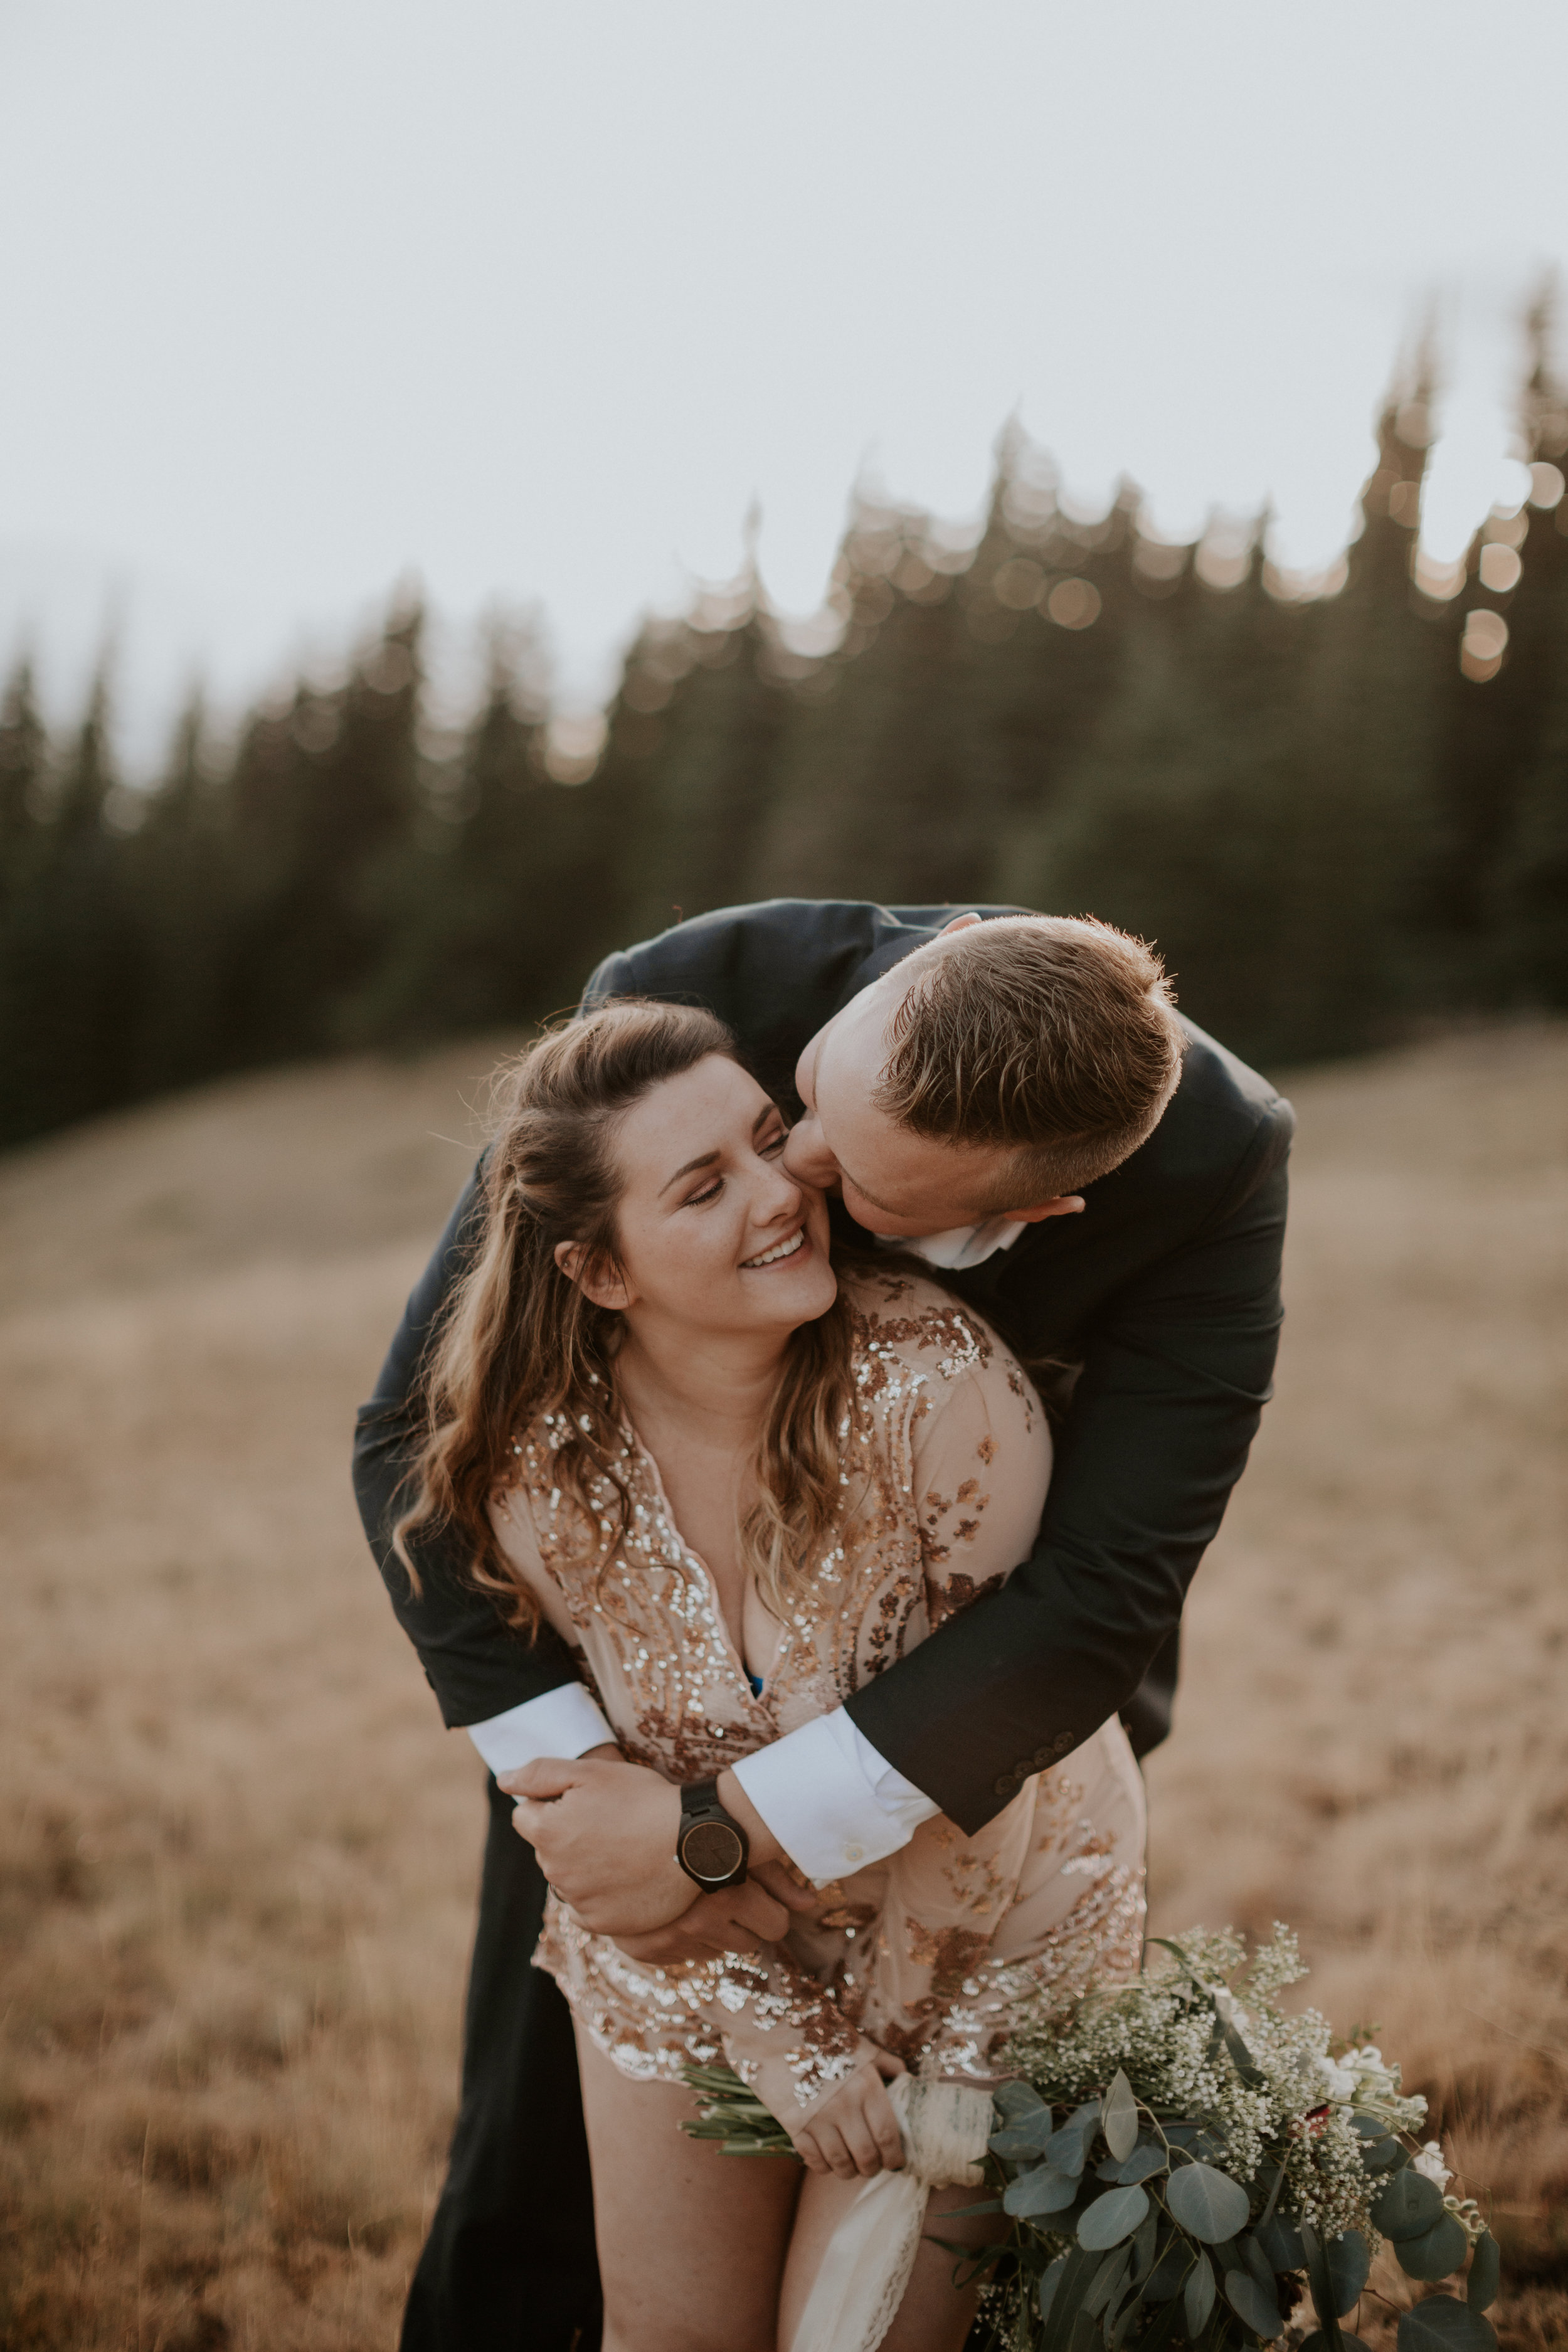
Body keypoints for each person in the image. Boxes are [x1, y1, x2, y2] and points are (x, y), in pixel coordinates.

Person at [352, 899, 1293, 2351]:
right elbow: (417, 1439)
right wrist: (592, 1801)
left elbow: (1092, 1598)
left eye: (846, 1177)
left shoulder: (1208, 1170)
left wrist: (715, 1836)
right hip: (636, 1698)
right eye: (793, 1109)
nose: (791, 1175)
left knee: (893, 2270)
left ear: (1028, 1212)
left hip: (979, 1707)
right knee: (533, 2155)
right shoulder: (683, 1004)